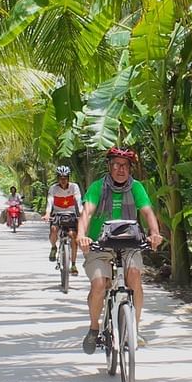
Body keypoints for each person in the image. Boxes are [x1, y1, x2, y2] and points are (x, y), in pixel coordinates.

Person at [76, 147, 163, 354]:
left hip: (129, 244)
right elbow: (87, 213)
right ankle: (94, 328)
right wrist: (81, 235)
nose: (120, 169)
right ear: (109, 166)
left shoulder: (136, 187)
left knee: (134, 277)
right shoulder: (98, 187)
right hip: (99, 244)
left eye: (124, 165)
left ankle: (134, 329)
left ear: (130, 168)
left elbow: (147, 212)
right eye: (116, 165)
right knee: (99, 284)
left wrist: (155, 233)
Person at [41, 165, 82, 274]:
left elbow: (78, 200)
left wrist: (81, 213)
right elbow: (50, 201)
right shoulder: (53, 188)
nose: (63, 180)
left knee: (73, 235)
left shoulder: (74, 187)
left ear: (68, 178)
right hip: (57, 214)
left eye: (65, 178)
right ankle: (54, 247)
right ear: (58, 178)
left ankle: (73, 264)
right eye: (61, 178)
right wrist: (47, 213)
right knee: (53, 229)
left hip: (71, 214)